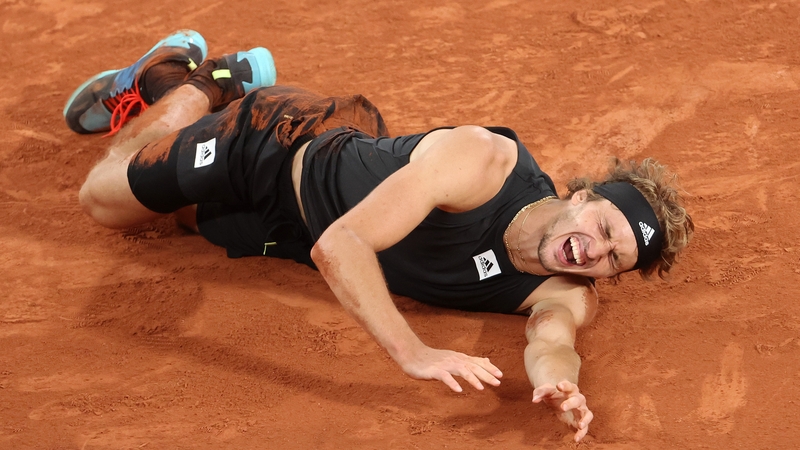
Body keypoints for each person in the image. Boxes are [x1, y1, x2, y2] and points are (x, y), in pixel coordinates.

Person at [65, 30, 694, 443]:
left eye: (615, 260)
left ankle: (181, 94)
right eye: (605, 228)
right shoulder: (484, 162)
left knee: (174, 217)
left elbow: (553, 342)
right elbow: (340, 248)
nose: (597, 251)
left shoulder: (564, 290)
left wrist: (559, 383)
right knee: (106, 200)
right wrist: (414, 354)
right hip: (275, 143)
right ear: (583, 197)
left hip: (290, 228)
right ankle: (199, 83)